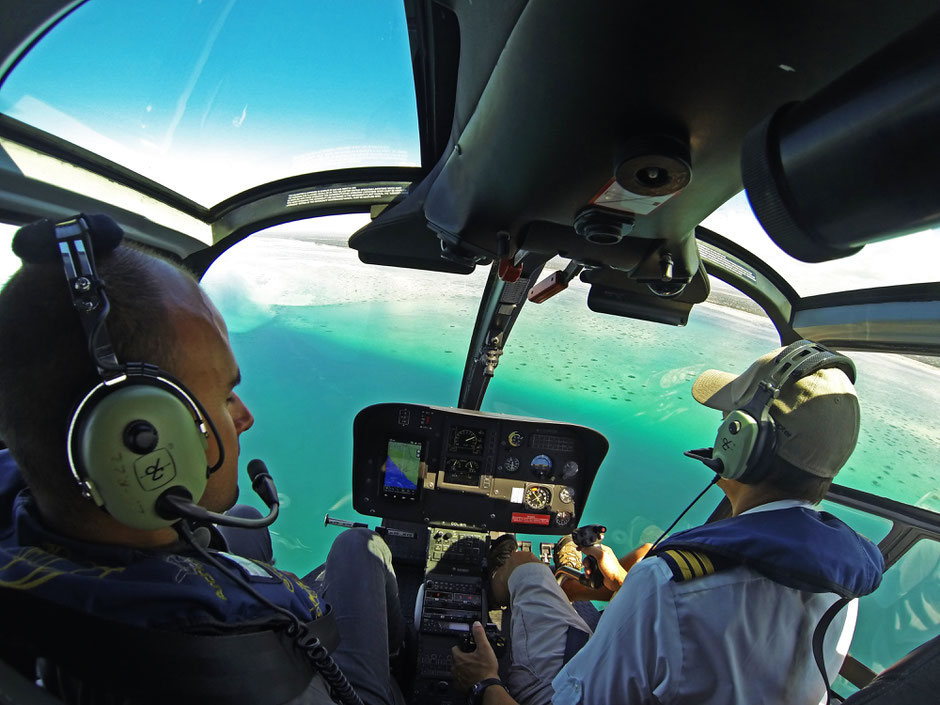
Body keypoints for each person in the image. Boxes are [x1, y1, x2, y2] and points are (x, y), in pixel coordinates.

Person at [0, 215, 405, 705]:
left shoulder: (21, 504)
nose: (245, 416)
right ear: (136, 439)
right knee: (357, 549)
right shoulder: (237, 673)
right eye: (226, 395)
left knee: (249, 520)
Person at [453, 342, 885, 705]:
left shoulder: (671, 581)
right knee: (606, 582)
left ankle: (498, 585)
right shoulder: (844, 584)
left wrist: (484, 680)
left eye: (725, 424)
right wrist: (625, 583)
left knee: (526, 567)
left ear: (742, 441)